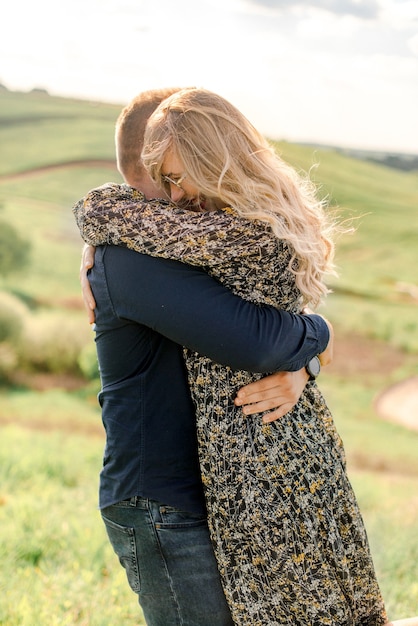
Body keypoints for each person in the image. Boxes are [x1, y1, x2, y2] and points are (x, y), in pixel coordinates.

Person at [74, 87, 418, 626]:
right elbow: (256, 340)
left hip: (215, 487)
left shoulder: (192, 238)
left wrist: (308, 360)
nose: (180, 194)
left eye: (180, 171)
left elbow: (260, 324)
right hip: (164, 500)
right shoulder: (128, 256)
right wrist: (315, 338)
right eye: (166, 177)